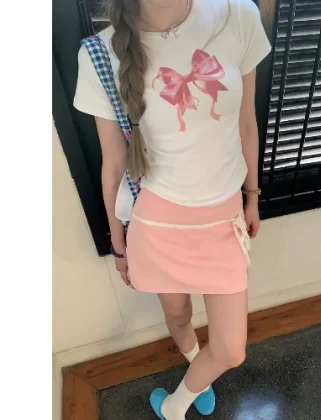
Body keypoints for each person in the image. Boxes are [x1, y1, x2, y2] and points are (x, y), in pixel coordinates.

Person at [74, 0, 271, 418]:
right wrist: (119, 244)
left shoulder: (237, 15)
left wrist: (252, 195)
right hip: (158, 223)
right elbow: (113, 162)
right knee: (178, 316)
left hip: (223, 220)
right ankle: (197, 371)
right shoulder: (101, 52)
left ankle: (173, 405)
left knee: (231, 349)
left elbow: (247, 123)